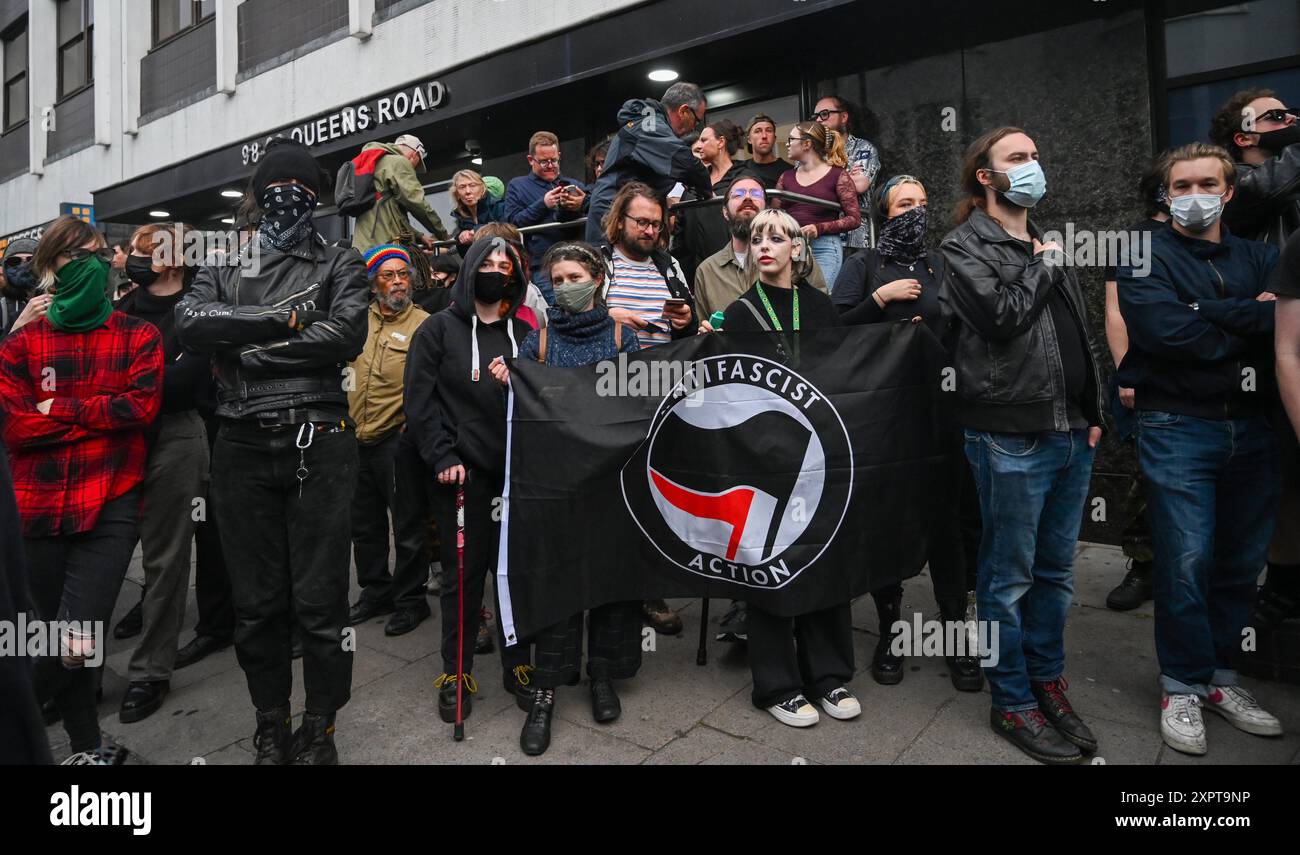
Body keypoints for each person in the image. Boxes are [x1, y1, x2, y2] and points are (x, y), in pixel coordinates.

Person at [176, 138, 369, 765]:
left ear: (313, 198)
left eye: (300, 189)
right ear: (259, 197)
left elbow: (344, 333)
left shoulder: (340, 259)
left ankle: (321, 728)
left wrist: (247, 350)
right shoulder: (225, 260)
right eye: (276, 189)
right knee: (257, 605)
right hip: (240, 442)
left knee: (321, 602)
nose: (289, 199)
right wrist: (282, 320)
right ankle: (269, 723)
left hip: (320, 439)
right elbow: (192, 324)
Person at [940, 127, 1106, 765]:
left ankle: (1047, 684)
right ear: (986, 175)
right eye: (1018, 158)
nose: (1034, 166)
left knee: (1056, 574)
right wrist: (1045, 261)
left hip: (1070, 433)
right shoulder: (963, 247)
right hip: (1009, 435)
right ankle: (1011, 700)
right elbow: (1003, 319)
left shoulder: (1040, 241)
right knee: (1007, 579)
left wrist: (1091, 413)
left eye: (1037, 155)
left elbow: (1077, 334)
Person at [1117, 142, 1284, 755]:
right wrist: (1244, 318)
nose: (1193, 195)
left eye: (1205, 184)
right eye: (1180, 186)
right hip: (1177, 424)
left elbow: (1282, 330)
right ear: (1165, 196)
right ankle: (1181, 683)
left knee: (1241, 562)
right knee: (1186, 561)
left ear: (1229, 191)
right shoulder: (1143, 256)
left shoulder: (1265, 256)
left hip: (1254, 427)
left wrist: (1208, 312)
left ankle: (1220, 676)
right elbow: (1166, 333)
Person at [0, 215, 163, 763]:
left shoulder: (138, 334)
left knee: (75, 638)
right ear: (51, 268)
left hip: (108, 499)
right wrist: (90, 415)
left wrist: (59, 409)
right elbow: (13, 425)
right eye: (76, 256)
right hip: (36, 506)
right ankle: (86, 746)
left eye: (99, 254)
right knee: (46, 634)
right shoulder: (23, 342)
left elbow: (136, 408)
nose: (91, 265)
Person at [488, 241, 642, 755]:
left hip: (612, 481)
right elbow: (532, 408)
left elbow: (637, 405)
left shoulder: (623, 335)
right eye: (555, 279)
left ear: (597, 279)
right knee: (559, 586)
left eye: (574, 275)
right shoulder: (539, 341)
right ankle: (547, 691)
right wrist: (512, 380)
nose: (564, 285)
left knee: (611, 582)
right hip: (557, 486)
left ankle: (602, 675)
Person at [830, 175, 982, 692]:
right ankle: (893, 630)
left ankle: (955, 631)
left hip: (942, 412)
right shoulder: (863, 264)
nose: (916, 210)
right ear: (884, 212)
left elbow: (967, 328)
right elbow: (834, 332)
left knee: (949, 524)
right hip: (885, 416)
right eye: (904, 203)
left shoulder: (944, 263)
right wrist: (880, 299)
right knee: (890, 523)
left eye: (922, 201)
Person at [711, 208, 860, 727]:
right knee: (769, 565)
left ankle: (829, 676)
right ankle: (777, 683)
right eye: (758, 238)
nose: (766, 246)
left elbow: (846, 375)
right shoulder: (738, 313)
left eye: (778, 237)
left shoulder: (820, 305)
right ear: (749, 250)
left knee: (824, 560)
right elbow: (731, 394)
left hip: (823, 455)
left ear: (798, 248)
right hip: (765, 459)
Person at [404, 235, 537, 722]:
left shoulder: (522, 331)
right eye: (489, 262)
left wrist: (519, 378)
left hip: (514, 478)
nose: (497, 270)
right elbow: (419, 402)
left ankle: (517, 664)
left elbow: (541, 400)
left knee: (513, 576)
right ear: (471, 269)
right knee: (462, 580)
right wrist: (441, 456)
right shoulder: (438, 329)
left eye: (507, 265)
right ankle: (455, 672)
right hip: (462, 477)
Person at [1209, 89, 1300, 662]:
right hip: (1264, 362)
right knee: (1281, 481)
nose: (1289, 120)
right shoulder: (1237, 183)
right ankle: (1278, 591)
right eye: (1274, 117)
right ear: (1243, 136)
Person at [114, 223, 214, 724]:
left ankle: (150, 672)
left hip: (175, 436)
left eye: (141, 251)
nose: (130, 258)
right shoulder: (120, 311)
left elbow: (180, 385)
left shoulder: (198, 307)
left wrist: (124, 389)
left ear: (171, 259)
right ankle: (76, 671)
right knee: (104, 558)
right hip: (118, 437)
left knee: (166, 558)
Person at [595, 182, 694, 634]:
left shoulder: (669, 265)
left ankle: (649, 589)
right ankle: (613, 588)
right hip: (608, 392)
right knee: (612, 491)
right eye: (642, 222)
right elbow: (561, 309)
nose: (651, 230)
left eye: (657, 223)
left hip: (659, 391)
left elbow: (688, 322)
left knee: (652, 490)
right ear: (620, 221)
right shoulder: (598, 263)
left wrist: (685, 319)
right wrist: (610, 316)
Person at [346, 245, 433, 637]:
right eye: (388, 275)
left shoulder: (425, 325)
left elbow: (434, 385)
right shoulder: (352, 320)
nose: (398, 281)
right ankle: (375, 590)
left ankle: (410, 601)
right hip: (351, 439)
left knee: (408, 524)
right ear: (372, 282)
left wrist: (413, 428)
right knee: (364, 525)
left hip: (396, 441)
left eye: (403, 274)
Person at [1101, 155, 1170, 612]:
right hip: (1146, 379)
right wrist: (1128, 374)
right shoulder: (1131, 241)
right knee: (1147, 476)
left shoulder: (1226, 239)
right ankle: (1143, 566)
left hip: (1206, 383)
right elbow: (1115, 312)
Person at [584, 82, 712, 245]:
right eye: (697, 120)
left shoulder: (650, 125)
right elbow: (686, 163)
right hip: (612, 219)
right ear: (684, 111)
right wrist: (706, 190)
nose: (695, 127)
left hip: (628, 216)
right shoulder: (648, 125)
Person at [694, 175, 828, 323]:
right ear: (725, 212)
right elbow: (703, 329)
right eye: (738, 194)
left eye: (756, 194)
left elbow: (822, 310)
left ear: (767, 208)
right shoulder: (707, 271)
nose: (747, 198)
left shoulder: (799, 255)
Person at [504, 131, 587, 303]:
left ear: (559, 156)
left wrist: (579, 204)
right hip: (544, 266)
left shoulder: (575, 185)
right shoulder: (517, 186)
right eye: (543, 161)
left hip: (577, 259)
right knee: (558, 312)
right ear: (530, 160)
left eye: (554, 160)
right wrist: (543, 204)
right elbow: (512, 223)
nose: (550, 165)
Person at [774, 122, 861, 287]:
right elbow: (774, 215)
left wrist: (818, 228)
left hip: (825, 247)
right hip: (793, 246)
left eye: (791, 139)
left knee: (820, 298)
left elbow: (854, 218)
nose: (787, 143)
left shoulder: (838, 175)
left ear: (807, 144)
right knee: (794, 297)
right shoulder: (786, 177)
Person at [351, 133, 451, 254]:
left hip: (363, 246)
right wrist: (443, 235)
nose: (414, 168)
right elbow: (417, 204)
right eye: (417, 164)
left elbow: (389, 214)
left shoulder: (372, 162)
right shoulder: (399, 162)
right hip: (387, 247)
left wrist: (419, 236)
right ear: (414, 155)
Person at [676, 120, 748, 284]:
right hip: (694, 276)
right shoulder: (695, 182)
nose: (699, 145)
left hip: (733, 273)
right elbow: (681, 228)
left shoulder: (743, 180)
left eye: (704, 140)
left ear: (721, 142)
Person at [812, 95, 881, 252]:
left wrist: (818, 180)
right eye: (815, 116)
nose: (818, 120)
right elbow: (801, 187)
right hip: (819, 239)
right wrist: (846, 176)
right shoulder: (810, 151)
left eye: (824, 114)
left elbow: (858, 185)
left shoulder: (863, 148)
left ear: (843, 117)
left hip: (855, 241)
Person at [450, 170, 505, 254]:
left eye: (472, 185)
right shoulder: (460, 215)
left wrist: (477, 231)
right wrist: (462, 237)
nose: (468, 191)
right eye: (462, 187)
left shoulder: (499, 206)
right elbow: (465, 254)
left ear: (482, 188)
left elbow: (507, 230)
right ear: (457, 194)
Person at [741, 113, 792, 190]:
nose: (764, 136)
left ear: (774, 138)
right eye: (758, 131)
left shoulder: (789, 172)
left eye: (769, 131)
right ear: (749, 139)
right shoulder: (740, 170)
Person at [1, 237, 38, 337]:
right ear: (5, 269)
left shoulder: (57, 303)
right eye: (14, 261)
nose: (23, 265)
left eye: (31, 260)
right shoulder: (2, 308)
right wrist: (16, 328)